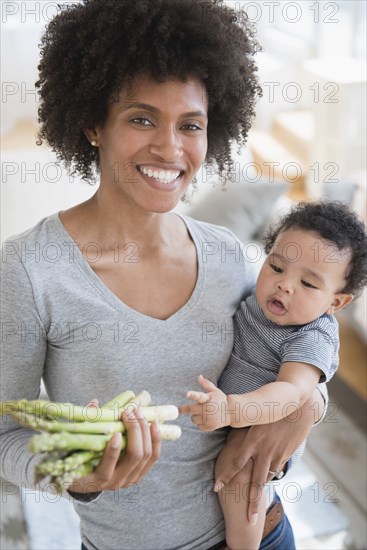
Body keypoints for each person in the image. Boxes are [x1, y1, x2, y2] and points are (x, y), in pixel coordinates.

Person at [1, 1, 327, 549]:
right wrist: (76, 478)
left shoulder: (227, 255)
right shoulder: (32, 270)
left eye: (191, 125)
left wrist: (311, 403)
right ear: (92, 125)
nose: (170, 148)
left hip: (263, 533)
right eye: (142, 118)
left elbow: (304, 334)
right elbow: (6, 436)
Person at [181, 201, 367, 550]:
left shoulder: (312, 334)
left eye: (308, 284)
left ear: (336, 303)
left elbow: (292, 392)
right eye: (277, 266)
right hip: (228, 413)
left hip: (257, 425)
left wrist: (232, 410)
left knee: (240, 483)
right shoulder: (256, 296)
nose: (285, 285)